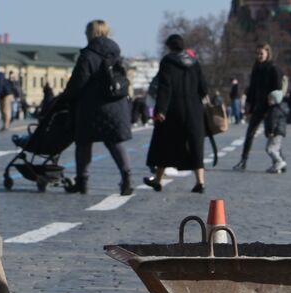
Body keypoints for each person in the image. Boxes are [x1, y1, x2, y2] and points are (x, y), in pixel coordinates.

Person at [62, 19, 134, 195]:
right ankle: (127, 178)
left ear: (91, 33)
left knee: (84, 143)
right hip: (116, 105)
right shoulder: (116, 53)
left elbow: (79, 82)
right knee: (114, 142)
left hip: (91, 107)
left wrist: (65, 97)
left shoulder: (88, 55)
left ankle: (82, 181)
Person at [144, 34, 208, 193]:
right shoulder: (194, 62)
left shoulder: (167, 61)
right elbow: (204, 88)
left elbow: (165, 87)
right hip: (194, 109)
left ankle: (158, 180)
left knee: (163, 143)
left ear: (169, 47)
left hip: (173, 109)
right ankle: (200, 182)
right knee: (195, 146)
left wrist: (160, 110)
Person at [233, 44, 282, 171]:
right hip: (258, 105)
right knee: (250, 133)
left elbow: (278, 88)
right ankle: (243, 160)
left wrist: (273, 103)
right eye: (258, 53)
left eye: (261, 53)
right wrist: (249, 104)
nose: (259, 56)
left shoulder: (273, 68)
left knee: (271, 135)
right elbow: (252, 88)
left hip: (270, 106)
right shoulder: (256, 68)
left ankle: (279, 161)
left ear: (267, 53)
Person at [263, 88, 289, 174]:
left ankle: (279, 162)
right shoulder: (279, 108)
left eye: (270, 99)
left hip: (275, 132)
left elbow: (272, 122)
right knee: (275, 149)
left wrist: (271, 131)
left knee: (270, 149)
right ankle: (277, 167)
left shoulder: (274, 110)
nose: (268, 101)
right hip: (279, 132)